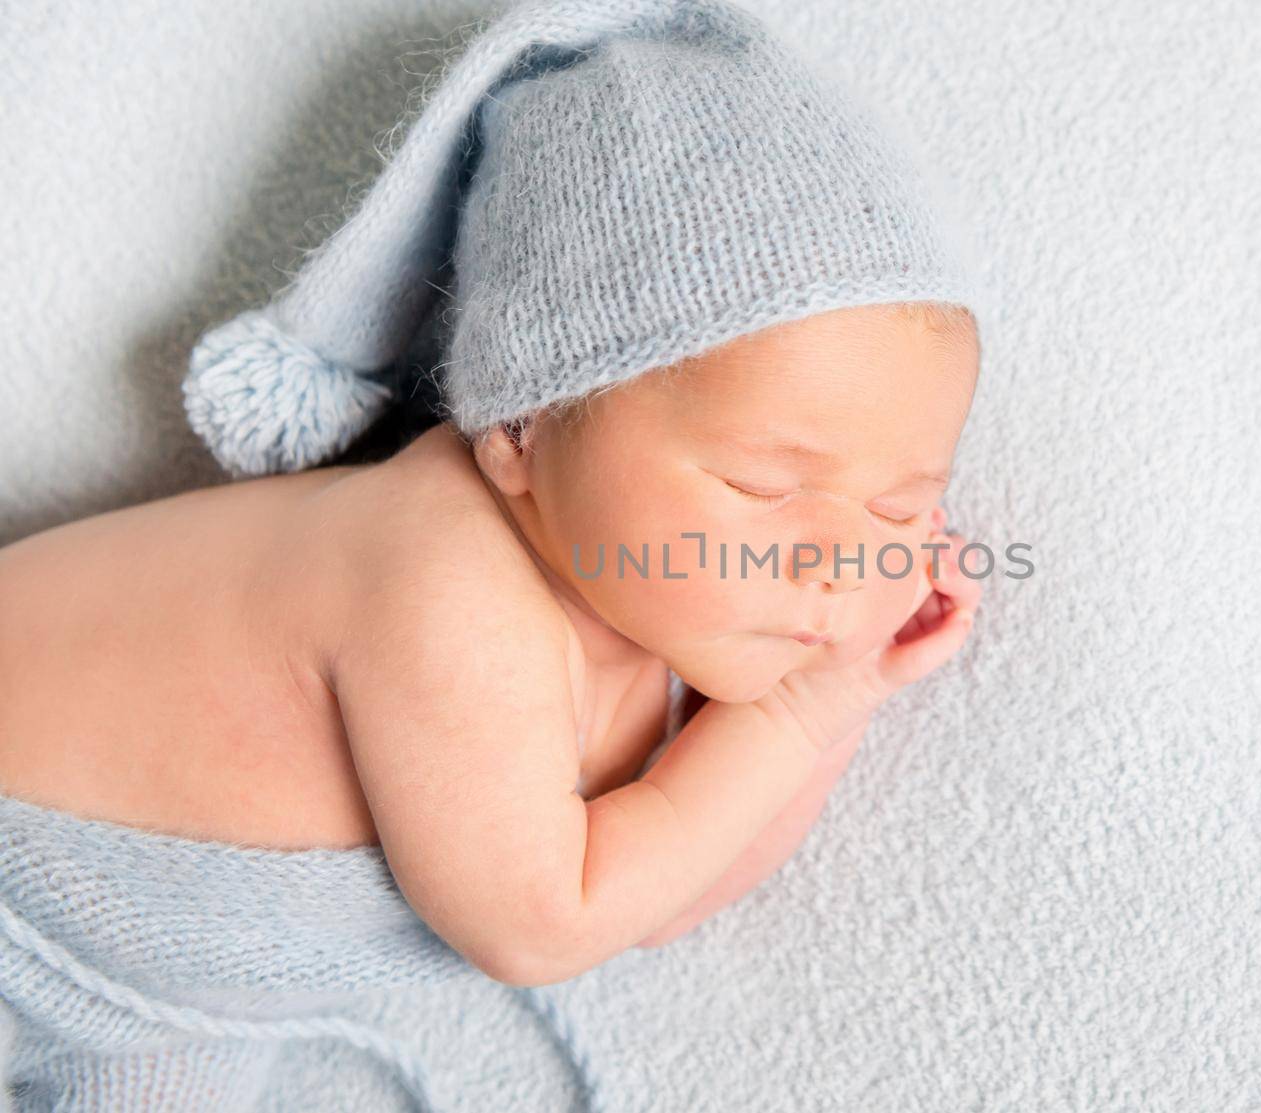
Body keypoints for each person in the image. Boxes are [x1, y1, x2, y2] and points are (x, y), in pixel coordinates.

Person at [0, 1, 993, 1108]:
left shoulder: (657, 626)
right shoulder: (437, 568)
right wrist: (802, 708)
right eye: (762, 486)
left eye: (906, 510)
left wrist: (834, 695)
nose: (841, 562)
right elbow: (552, 918)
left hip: (168, 999)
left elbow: (659, 894)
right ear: (522, 429)